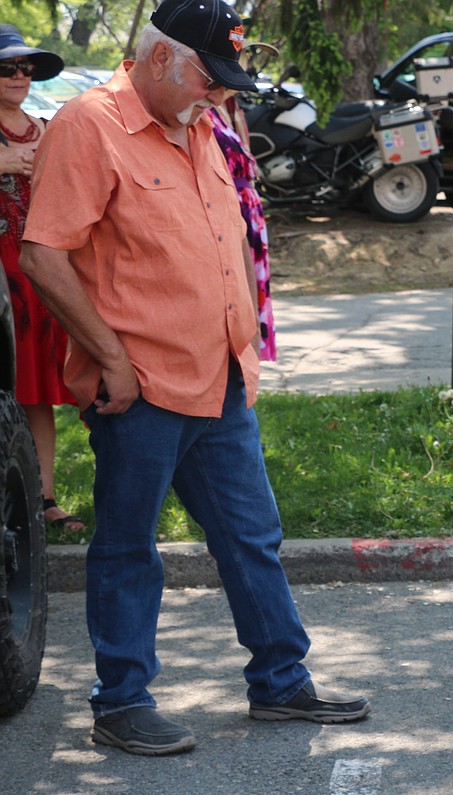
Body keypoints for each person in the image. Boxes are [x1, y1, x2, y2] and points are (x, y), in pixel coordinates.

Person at [19, 0, 370, 756]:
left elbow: (226, 237)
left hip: (220, 378)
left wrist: (241, 337)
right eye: (208, 78)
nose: (219, 93)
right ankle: (120, 702)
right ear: (157, 58)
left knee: (253, 536)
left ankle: (281, 683)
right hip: (140, 384)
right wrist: (111, 359)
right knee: (126, 545)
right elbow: (43, 254)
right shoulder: (89, 125)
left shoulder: (199, 123)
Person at [0, 26, 83, 533]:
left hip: (42, 276)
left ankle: (42, 498)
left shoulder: (47, 127)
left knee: (37, 394)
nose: (19, 76)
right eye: (7, 67)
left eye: (26, 68)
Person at [210, 89, 275, 360]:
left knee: (249, 287)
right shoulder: (205, 110)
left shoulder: (234, 108)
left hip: (248, 209)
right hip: (231, 206)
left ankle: (250, 355)